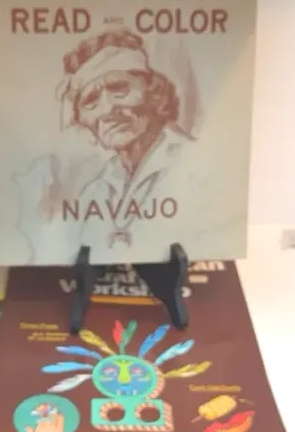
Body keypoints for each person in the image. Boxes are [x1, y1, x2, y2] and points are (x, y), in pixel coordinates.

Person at [12, 28, 199, 261]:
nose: (107, 109)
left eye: (119, 88)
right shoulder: (97, 189)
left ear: (153, 91)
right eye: (90, 100)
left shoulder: (197, 166)